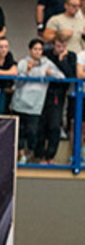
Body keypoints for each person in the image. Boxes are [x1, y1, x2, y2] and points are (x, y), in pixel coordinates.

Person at [11, 38, 63, 165]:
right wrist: (27, 71)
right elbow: (16, 82)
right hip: (20, 103)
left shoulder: (47, 63)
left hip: (36, 106)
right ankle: (21, 155)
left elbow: (62, 76)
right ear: (30, 50)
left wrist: (50, 72)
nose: (38, 52)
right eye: (35, 49)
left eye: (40, 49)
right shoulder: (23, 62)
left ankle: (29, 154)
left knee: (33, 132)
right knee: (20, 132)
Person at [38, 32, 80, 164]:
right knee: (41, 124)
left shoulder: (71, 56)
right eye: (57, 46)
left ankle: (51, 155)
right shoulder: (46, 55)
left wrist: (63, 61)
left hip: (58, 94)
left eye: (63, 46)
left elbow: (70, 76)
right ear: (53, 45)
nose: (60, 49)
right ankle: (40, 156)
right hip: (42, 92)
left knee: (55, 125)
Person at [0, 36, 17, 115]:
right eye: (1, 47)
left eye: (6, 47)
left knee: (1, 111)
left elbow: (14, 72)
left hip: (3, 89)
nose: (4, 49)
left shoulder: (9, 56)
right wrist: (8, 72)